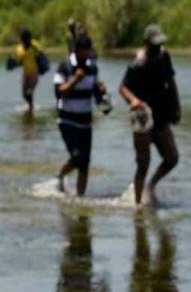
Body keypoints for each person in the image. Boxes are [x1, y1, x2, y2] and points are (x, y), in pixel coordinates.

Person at [118, 24, 181, 205]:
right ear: (146, 43)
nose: (157, 47)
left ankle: (151, 185)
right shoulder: (137, 64)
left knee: (172, 158)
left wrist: (177, 107)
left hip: (161, 116)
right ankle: (138, 206)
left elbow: (172, 82)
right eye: (154, 44)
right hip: (142, 117)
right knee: (143, 164)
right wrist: (133, 100)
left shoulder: (164, 58)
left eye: (160, 44)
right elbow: (122, 88)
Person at [53, 34, 110, 197]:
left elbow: (97, 94)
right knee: (77, 157)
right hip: (67, 121)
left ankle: (80, 199)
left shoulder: (93, 68)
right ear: (75, 51)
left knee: (85, 163)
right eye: (83, 53)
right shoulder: (64, 67)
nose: (86, 57)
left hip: (86, 122)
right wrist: (75, 80)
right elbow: (58, 93)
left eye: (88, 53)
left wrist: (102, 95)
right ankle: (61, 175)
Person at [9, 29, 44, 115]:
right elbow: (19, 62)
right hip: (25, 74)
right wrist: (13, 64)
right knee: (24, 94)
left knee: (29, 92)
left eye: (27, 40)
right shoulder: (20, 49)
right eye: (24, 41)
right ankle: (31, 107)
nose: (26, 42)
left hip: (34, 73)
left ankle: (31, 109)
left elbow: (41, 55)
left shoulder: (35, 46)